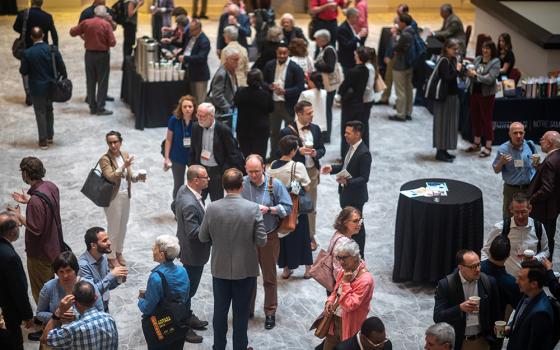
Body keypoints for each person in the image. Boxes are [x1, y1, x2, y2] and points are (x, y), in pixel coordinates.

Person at [199, 168, 267, 350]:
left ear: (223, 186)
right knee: (241, 313)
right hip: (245, 270)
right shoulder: (253, 209)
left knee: (220, 312)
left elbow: (203, 237)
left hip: (220, 268)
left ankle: (218, 347)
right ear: (241, 185)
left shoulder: (212, 207)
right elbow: (262, 239)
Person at [242, 154, 292, 330]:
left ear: (263, 167)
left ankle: (270, 312)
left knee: (269, 277)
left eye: (256, 171)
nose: (253, 175)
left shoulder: (274, 185)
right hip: (248, 238)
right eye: (250, 171)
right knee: (248, 276)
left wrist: (270, 209)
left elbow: (287, 207)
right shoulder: (242, 183)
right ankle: (247, 309)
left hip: (269, 237)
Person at [8, 156, 63, 303]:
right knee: (53, 288)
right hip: (54, 247)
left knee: (42, 292)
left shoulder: (35, 201)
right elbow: (49, 207)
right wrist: (28, 201)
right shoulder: (51, 186)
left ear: (25, 174)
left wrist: (19, 216)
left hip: (40, 254)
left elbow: (36, 229)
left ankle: (47, 322)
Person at [280, 100, 326, 251]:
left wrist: (316, 153)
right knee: (294, 205)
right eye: (309, 113)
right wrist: (296, 152)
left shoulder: (316, 129)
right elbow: (277, 154)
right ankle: (291, 235)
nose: (312, 115)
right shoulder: (287, 132)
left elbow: (322, 149)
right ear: (299, 114)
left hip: (311, 172)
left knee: (311, 206)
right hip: (294, 176)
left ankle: (310, 236)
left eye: (312, 112)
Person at [321, 121, 371, 258]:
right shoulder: (350, 147)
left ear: (357, 133)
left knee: (357, 227)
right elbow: (346, 166)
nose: (345, 135)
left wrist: (347, 181)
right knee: (349, 226)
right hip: (346, 195)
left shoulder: (364, 153)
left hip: (356, 197)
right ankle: (351, 253)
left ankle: (360, 256)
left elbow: (364, 178)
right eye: (345, 132)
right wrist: (332, 168)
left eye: (348, 133)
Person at [433, 250, 500, 350]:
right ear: (461, 267)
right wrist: (459, 308)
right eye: (473, 266)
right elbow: (438, 317)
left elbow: (496, 313)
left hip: (482, 341)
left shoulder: (488, 282)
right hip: (459, 343)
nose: (478, 269)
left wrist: (496, 341)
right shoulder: (446, 285)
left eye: (479, 265)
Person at [268, 135, 313, 279]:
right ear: (294, 150)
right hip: (295, 208)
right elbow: (307, 187)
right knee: (303, 236)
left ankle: (286, 269)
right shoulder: (296, 166)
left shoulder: (272, 165)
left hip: (279, 208)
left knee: (283, 237)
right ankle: (308, 269)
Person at [174, 165, 210, 343]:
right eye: (205, 177)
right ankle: (184, 326)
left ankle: (188, 315)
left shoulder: (183, 189)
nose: (208, 180)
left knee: (188, 289)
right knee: (188, 292)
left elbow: (174, 206)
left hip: (188, 249)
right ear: (196, 180)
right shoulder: (190, 203)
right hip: (193, 254)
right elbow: (193, 233)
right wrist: (212, 229)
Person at [99, 130, 145, 267]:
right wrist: (124, 165)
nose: (113, 145)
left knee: (123, 227)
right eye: (110, 142)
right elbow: (111, 176)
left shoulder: (124, 154)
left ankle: (119, 251)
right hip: (113, 197)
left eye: (115, 142)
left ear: (120, 142)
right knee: (113, 228)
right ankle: (111, 256)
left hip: (126, 195)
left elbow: (128, 175)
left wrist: (137, 177)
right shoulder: (104, 159)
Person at [19, 27, 67, 149]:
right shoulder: (52, 49)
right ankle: (50, 136)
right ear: (44, 35)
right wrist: (63, 79)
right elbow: (62, 66)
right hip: (51, 86)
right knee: (49, 110)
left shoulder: (28, 53)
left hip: (36, 88)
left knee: (40, 113)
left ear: (31, 37)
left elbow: (23, 71)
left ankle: (43, 140)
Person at [138, 235, 189, 349]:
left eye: (155, 247)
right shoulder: (183, 270)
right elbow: (184, 296)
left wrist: (141, 299)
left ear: (161, 255)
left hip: (161, 327)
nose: (152, 249)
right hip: (179, 322)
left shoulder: (156, 277)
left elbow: (147, 308)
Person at [481, 193, 549, 277]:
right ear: (511, 210)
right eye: (517, 212)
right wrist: (488, 273)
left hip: (529, 280)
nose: (520, 216)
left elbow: (545, 251)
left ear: (530, 209)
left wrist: (536, 259)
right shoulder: (500, 228)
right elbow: (486, 251)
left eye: (523, 212)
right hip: (506, 280)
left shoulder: (538, 227)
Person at [322, 240, 374, 350]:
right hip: (335, 320)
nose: (340, 262)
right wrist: (330, 301)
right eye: (338, 258)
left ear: (355, 256)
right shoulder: (345, 270)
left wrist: (345, 283)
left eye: (344, 258)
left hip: (349, 324)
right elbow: (336, 292)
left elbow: (350, 306)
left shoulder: (365, 280)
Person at [41, 280, 118, 350]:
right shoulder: (109, 319)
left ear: (74, 302)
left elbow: (44, 339)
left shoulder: (72, 330)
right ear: (95, 298)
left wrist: (58, 312)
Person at [189, 102, 242, 201]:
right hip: (200, 170)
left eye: (202, 116)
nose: (199, 118)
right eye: (198, 115)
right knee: (197, 200)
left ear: (211, 116)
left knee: (217, 201)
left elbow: (233, 153)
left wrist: (223, 171)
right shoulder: (196, 127)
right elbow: (192, 149)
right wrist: (192, 167)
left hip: (216, 172)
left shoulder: (223, 130)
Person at [70, 5, 116, 116]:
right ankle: (100, 107)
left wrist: (84, 37)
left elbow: (72, 32)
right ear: (104, 15)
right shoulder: (106, 25)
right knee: (102, 81)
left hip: (89, 55)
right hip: (102, 56)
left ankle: (92, 106)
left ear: (94, 13)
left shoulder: (86, 22)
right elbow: (112, 42)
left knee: (90, 81)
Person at [37, 251, 104, 326]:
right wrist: (58, 316)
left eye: (68, 271)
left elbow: (100, 311)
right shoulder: (49, 287)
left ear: (75, 270)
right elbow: (39, 313)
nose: (65, 275)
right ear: (56, 273)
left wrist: (78, 317)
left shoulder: (89, 286)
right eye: (61, 272)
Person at [263, 42, 305, 160]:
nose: (282, 55)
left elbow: (300, 87)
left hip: (289, 105)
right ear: (276, 53)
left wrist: (285, 91)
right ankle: (273, 156)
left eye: (284, 53)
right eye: (279, 53)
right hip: (274, 104)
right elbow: (263, 82)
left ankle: (290, 157)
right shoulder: (269, 65)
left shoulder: (295, 68)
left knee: (291, 133)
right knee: (274, 133)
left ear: (288, 53)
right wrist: (269, 86)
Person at [13, 0, 58, 106]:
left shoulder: (22, 14)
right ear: (41, 3)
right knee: (43, 70)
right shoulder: (47, 16)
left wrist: (26, 31)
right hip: (43, 47)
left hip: (27, 47)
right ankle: (44, 93)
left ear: (31, 2)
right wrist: (55, 48)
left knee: (26, 71)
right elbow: (54, 33)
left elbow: (15, 27)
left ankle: (29, 94)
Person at [0, 211, 33, 350]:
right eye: (19, 225)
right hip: (8, 308)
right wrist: (27, 315)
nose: (20, 227)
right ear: (12, 231)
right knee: (14, 342)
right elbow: (17, 289)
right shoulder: (10, 256)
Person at [505, 260, 555, 350]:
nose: (516, 281)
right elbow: (521, 318)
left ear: (534, 284)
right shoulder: (527, 294)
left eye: (521, 278)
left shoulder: (541, 313)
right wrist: (511, 326)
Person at [492, 122, 538, 217]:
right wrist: (501, 162)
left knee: (528, 215)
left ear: (524, 133)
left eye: (521, 133)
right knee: (509, 216)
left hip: (528, 188)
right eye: (515, 133)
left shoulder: (530, 145)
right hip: (511, 190)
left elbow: (536, 165)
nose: (518, 136)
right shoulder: (503, 149)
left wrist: (536, 163)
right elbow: (496, 170)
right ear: (509, 134)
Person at [78, 226, 128, 312]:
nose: (109, 243)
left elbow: (106, 286)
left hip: (104, 307)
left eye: (108, 239)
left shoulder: (103, 258)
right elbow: (91, 293)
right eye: (104, 241)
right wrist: (111, 275)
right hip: (91, 311)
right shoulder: (83, 265)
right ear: (93, 245)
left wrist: (118, 280)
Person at [465, 40, 500, 158]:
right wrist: (471, 73)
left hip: (487, 95)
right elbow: (471, 72)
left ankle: (488, 146)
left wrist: (475, 75)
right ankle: (477, 142)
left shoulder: (495, 62)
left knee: (486, 119)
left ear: (492, 50)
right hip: (474, 92)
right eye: (483, 48)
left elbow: (490, 79)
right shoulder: (478, 59)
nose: (485, 50)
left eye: (488, 48)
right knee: (475, 118)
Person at [528, 130, 560, 258]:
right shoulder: (557, 157)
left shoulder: (550, 161)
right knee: (549, 237)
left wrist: (529, 199)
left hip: (543, 209)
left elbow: (546, 189)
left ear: (549, 143)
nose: (540, 141)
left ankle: (543, 266)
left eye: (542, 139)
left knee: (542, 239)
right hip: (554, 206)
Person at [432, 38, 462, 162]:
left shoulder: (452, 60)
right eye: (454, 49)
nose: (456, 51)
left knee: (449, 124)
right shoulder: (444, 60)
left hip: (452, 96)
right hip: (444, 97)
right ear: (447, 48)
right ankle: (440, 152)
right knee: (442, 124)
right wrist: (458, 70)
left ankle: (444, 150)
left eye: (457, 49)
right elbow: (447, 78)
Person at [480, 235, 522, 321]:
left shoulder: (476, 269)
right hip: (495, 325)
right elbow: (519, 307)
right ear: (508, 255)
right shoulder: (511, 283)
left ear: (489, 250)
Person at [164, 95, 195, 208]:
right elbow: (168, 140)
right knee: (178, 185)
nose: (187, 109)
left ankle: (192, 207)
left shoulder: (197, 120)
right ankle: (177, 209)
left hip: (192, 157)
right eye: (185, 106)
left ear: (194, 107)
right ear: (180, 108)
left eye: (190, 106)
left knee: (194, 184)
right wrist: (166, 157)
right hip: (177, 156)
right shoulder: (174, 120)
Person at [234, 68, 274, 159]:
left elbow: (235, 103)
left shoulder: (240, 92)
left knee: (245, 156)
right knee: (260, 157)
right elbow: (271, 109)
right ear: (261, 80)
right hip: (260, 131)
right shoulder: (265, 95)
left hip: (243, 129)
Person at [338, 47, 369, 157]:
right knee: (357, 132)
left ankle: (345, 156)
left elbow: (343, 88)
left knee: (346, 132)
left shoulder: (352, 71)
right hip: (359, 104)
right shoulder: (366, 70)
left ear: (358, 56)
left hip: (349, 105)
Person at [325, 207, 363, 294]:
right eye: (355, 221)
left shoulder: (339, 234)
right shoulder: (343, 243)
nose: (359, 224)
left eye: (360, 220)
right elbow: (338, 271)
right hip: (341, 290)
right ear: (345, 223)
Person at [388, 14, 414, 123]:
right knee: (408, 89)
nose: (397, 24)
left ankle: (400, 114)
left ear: (403, 23)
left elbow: (396, 47)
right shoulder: (413, 30)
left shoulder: (405, 34)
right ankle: (408, 112)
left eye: (399, 22)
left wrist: (394, 37)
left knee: (400, 91)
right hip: (409, 64)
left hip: (400, 65)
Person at [313, 29, 338, 143]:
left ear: (323, 40)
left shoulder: (329, 50)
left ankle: (326, 136)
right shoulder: (324, 49)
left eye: (317, 39)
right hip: (325, 85)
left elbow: (330, 68)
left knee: (326, 110)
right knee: (323, 110)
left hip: (328, 86)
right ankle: (323, 134)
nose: (316, 41)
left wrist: (316, 64)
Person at [179, 19, 210, 106]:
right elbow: (185, 48)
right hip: (190, 73)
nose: (190, 32)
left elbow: (201, 58)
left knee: (200, 102)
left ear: (198, 29)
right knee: (192, 100)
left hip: (200, 75)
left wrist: (185, 58)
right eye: (189, 29)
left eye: (192, 30)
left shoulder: (204, 41)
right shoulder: (191, 36)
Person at [209, 48, 239, 118]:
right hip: (222, 112)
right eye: (235, 60)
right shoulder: (221, 74)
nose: (237, 62)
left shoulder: (231, 71)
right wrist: (228, 109)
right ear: (227, 59)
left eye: (238, 59)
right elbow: (217, 96)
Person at [337, 8, 367, 75]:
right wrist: (359, 35)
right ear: (351, 17)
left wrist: (362, 36)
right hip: (347, 61)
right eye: (357, 17)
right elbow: (347, 45)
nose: (358, 19)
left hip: (353, 59)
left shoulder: (352, 26)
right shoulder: (342, 28)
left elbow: (356, 41)